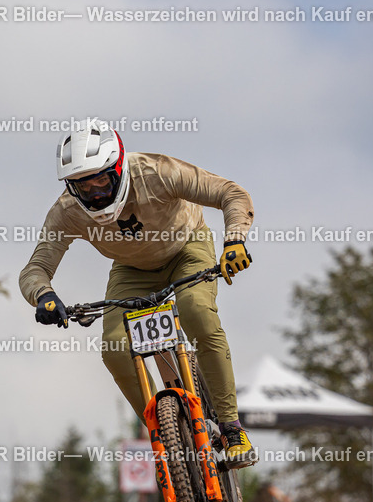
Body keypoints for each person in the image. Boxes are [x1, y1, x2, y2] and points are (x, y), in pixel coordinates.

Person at [19, 118, 257, 467]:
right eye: (84, 187)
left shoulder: (157, 172)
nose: (96, 193)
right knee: (114, 350)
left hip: (187, 247)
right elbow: (36, 267)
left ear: (118, 168)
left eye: (101, 180)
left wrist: (234, 240)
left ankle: (232, 428)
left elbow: (230, 193)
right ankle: (164, 435)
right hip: (131, 270)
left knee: (195, 311)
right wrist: (44, 296)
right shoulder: (67, 212)